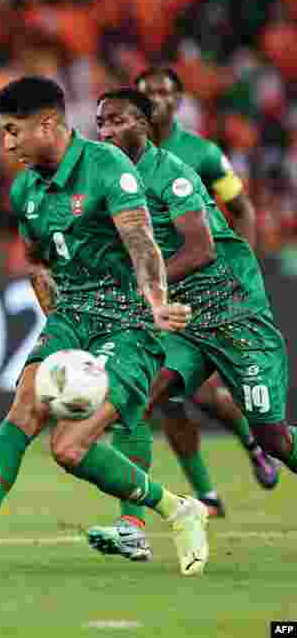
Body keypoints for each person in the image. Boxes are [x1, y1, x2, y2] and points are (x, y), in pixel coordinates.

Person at [0, 76, 208, 581]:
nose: (7, 143)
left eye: (14, 130)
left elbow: (142, 243)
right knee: (22, 408)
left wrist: (158, 304)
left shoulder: (108, 166)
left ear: (49, 124)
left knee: (69, 448)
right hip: (72, 314)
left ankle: (177, 508)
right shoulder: (25, 188)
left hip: (128, 320)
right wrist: (56, 337)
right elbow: (38, 263)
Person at [88, 88, 294, 561]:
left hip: (234, 313)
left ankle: (253, 450)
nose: (106, 131)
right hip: (184, 321)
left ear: (143, 123)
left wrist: (142, 288)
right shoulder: (108, 178)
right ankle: (132, 527)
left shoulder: (174, 174)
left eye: (117, 121)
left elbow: (201, 249)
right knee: (135, 405)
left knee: (274, 437)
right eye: (100, 123)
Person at [136, 67, 277, 515]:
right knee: (169, 399)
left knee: (204, 393)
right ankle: (208, 496)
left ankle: (255, 442)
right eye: (148, 92)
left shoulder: (202, 154)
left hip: (205, 286)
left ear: (179, 100)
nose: (157, 98)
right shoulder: (123, 157)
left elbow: (241, 208)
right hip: (160, 288)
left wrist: (243, 270)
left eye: (165, 91)